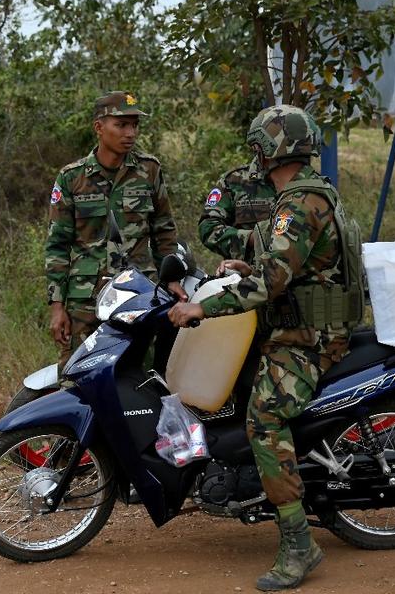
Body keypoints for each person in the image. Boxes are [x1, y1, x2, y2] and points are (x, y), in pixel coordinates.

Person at [169, 105, 363, 591]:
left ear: (271, 150)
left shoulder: (298, 203)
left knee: (265, 419)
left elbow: (274, 281)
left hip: (307, 335)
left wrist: (203, 310)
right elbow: (284, 261)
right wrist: (246, 264)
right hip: (303, 322)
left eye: (258, 147)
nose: (253, 156)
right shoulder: (310, 193)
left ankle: (299, 543)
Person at [45, 91, 184, 374]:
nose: (130, 133)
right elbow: (57, 245)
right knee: (78, 377)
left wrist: (171, 279)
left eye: (134, 125)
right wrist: (57, 307)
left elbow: (164, 230)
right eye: (121, 125)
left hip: (139, 295)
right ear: (99, 127)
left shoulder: (149, 170)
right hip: (86, 301)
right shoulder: (72, 178)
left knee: (142, 377)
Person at [198, 158, 277, 261]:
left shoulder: (301, 177)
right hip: (246, 272)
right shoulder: (233, 180)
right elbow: (208, 227)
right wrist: (251, 238)